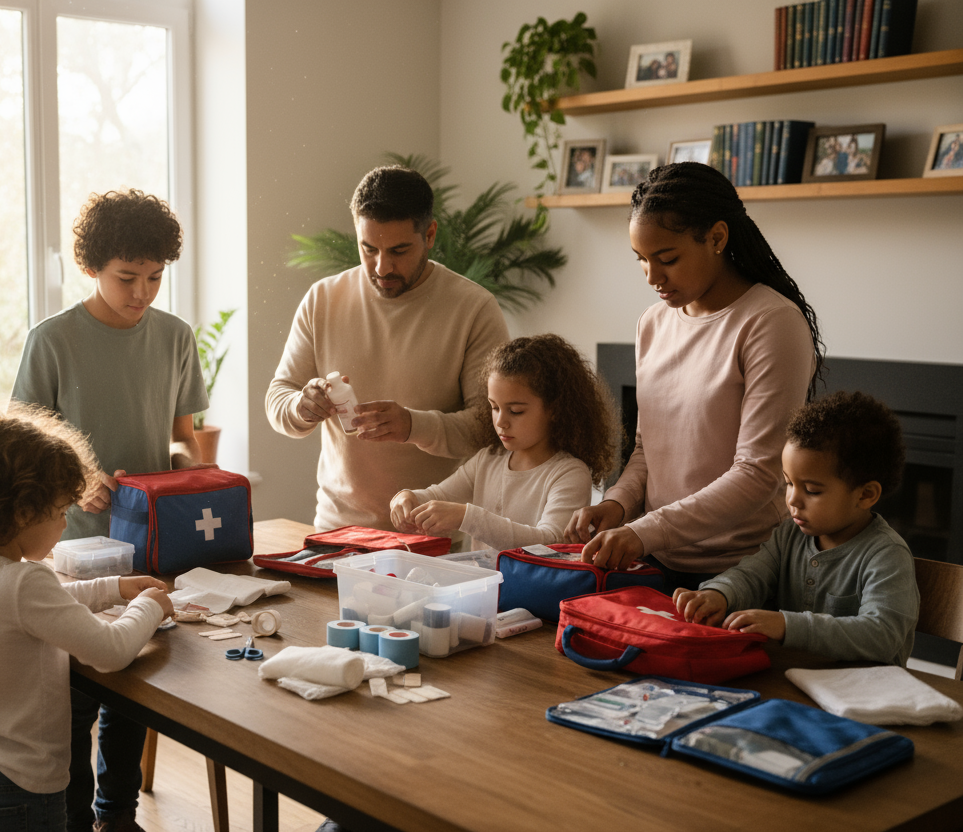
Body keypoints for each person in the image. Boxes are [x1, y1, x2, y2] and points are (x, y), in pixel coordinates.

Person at [11, 189, 207, 832]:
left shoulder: (175, 337)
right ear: (93, 265)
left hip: (153, 542)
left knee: (137, 682)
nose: (142, 292)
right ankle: (70, 816)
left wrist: (190, 471)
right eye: (128, 277)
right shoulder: (53, 340)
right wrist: (78, 479)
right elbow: (23, 444)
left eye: (155, 277)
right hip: (68, 547)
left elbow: (185, 437)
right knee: (73, 693)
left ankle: (116, 813)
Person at [565, 161, 824, 591]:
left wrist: (643, 531)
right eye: (641, 260)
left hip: (747, 572)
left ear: (717, 237)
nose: (652, 277)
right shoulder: (653, 323)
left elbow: (758, 474)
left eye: (667, 258)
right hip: (655, 561)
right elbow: (649, 452)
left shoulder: (771, 322)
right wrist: (615, 504)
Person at [0, 406, 173, 831]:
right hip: (16, 786)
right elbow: (111, 651)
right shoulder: (25, 583)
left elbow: (44, 605)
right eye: (61, 511)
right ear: (24, 512)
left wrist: (113, 588)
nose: (65, 523)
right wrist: (150, 606)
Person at [265, 165, 509, 533]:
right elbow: (277, 398)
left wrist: (414, 425)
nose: (382, 266)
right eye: (368, 248)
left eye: (398, 250)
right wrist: (302, 405)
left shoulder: (473, 308)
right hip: (338, 533)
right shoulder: (322, 299)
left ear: (429, 234)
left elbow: (488, 425)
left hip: (436, 538)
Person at [674, 392, 917, 665]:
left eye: (812, 490)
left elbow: (882, 636)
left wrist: (786, 625)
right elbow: (751, 575)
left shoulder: (886, 555)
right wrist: (719, 594)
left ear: (865, 495)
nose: (792, 500)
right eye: (789, 483)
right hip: (795, 682)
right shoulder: (789, 535)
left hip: (866, 698)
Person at [390, 334, 618, 550]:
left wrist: (466, 517)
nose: (500, 422)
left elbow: (550, 542)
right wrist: (406, 498)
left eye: (516, 411)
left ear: (555, 409)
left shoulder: (569, 473)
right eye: (494, 407)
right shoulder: (487, 460)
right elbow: (437, 496)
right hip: (487, 586)